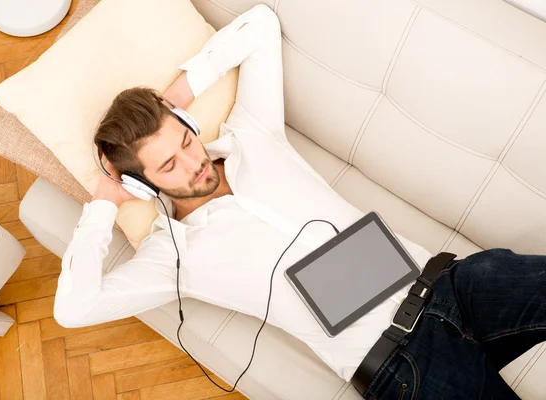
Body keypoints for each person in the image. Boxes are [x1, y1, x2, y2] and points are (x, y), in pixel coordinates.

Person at [53, 4, 546, 399]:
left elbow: (260, 25)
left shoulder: (253, 133)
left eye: (184, 142)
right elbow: (74, 308)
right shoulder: (173, 259)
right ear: (144, 186)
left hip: (450, 282)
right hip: (404, 362)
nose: (192, 164)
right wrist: (104, 202)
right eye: (167, 167)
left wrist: (177, 94)